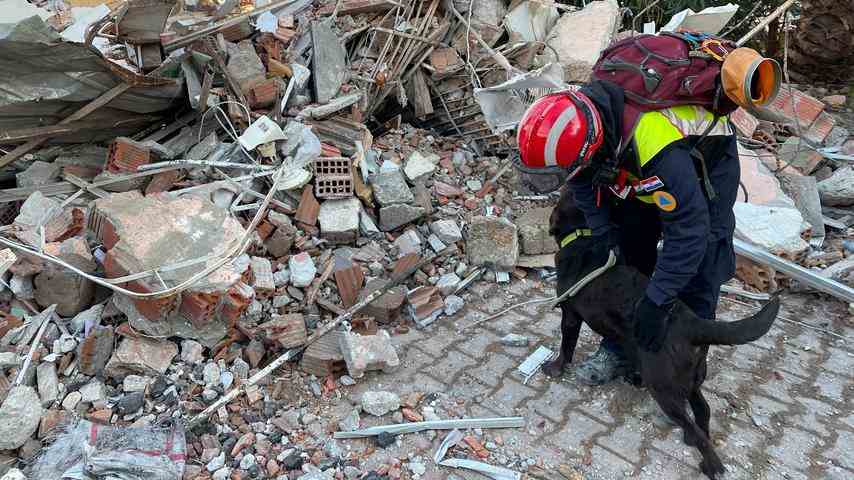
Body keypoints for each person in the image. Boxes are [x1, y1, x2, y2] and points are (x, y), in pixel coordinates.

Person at [516, 81, 739, 385]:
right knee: (630, 248)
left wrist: (657, 299)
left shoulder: (653, 143)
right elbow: (581, 181)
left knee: (701, 268)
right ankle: (620, 349)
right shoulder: (582, 121)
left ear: (590, 146)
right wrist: (604, 231)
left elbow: (689, 232)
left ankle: (686, 375)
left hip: (704, 167)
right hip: (631, 161)